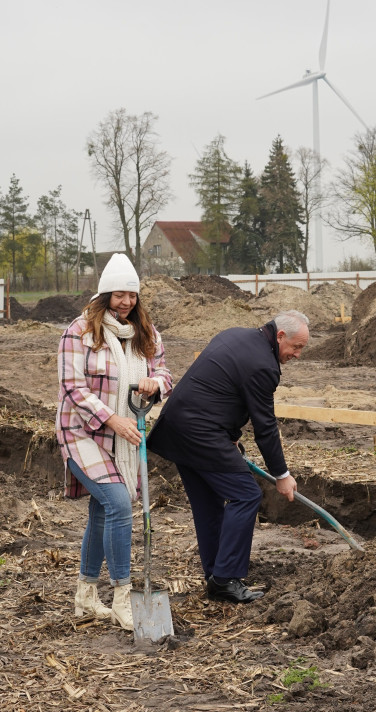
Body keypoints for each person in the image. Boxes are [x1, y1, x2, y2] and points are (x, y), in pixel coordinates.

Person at [146, 309, 309, 604]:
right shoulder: (264, 365)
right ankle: (225, 578)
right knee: (245, 494)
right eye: (296, 347)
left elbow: (219, 390)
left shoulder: (236, 335)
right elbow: (265, 426)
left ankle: (215, 576)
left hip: (178, 427)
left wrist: (230, 435)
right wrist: (282, 476)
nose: (297, 355)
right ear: (280, 336)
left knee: (209, 503)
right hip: (199, 432)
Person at [56, 253, 172, 630]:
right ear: (105, 294)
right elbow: (72, 387)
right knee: (119, 504)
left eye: (132, 296)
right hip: (81, 432)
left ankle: (86, 596)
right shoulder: (80, 332)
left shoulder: (146, 333)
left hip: (122, 435)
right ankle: (123, 595)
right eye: (119, 295)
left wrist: (157, 383)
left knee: (103, 510)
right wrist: (112, 419)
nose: (126, 303)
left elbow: (164, 371)